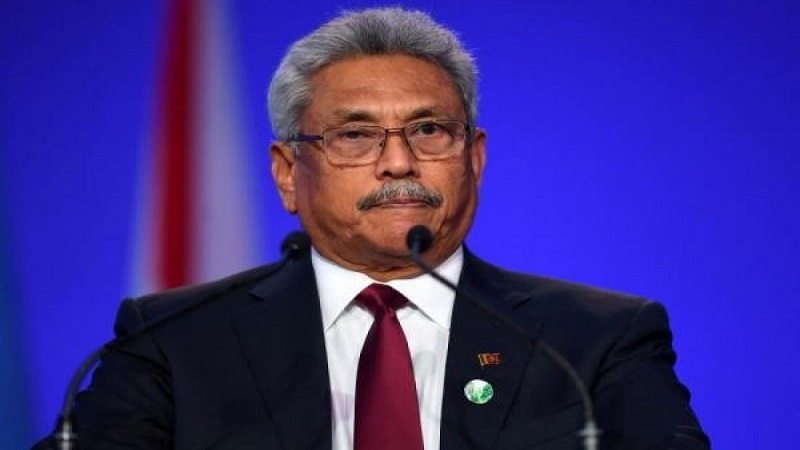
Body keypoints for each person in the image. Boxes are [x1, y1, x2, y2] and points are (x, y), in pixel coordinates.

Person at [34, 7, 709, 450]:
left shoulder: (594, 340)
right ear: (287, 174)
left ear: (474, 160)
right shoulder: (174, 340)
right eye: (355, 135)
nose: (399, 162)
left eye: (429, 130)